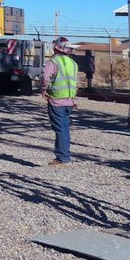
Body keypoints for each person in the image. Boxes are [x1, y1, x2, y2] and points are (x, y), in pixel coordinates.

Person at [41, 36, 79, 166]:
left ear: (56, 47)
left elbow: (45, 78)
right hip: (69, 101)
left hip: (57, 100)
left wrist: (43, 90)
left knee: (60, 129)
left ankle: (63, 157)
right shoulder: (73, 63)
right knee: (64, 128)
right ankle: (64, 155)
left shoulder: (54, 62)